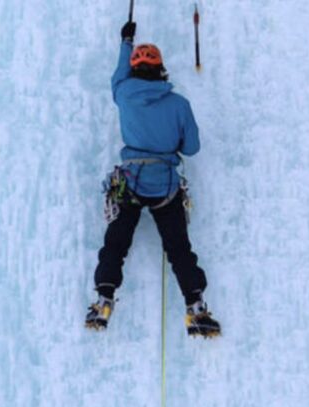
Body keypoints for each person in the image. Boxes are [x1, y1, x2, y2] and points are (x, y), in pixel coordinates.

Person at [85, 20, 221, 338]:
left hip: (130, 182)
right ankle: (196, 308)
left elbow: (118, 76)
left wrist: (126, 41)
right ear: (161, 69)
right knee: (179, 249)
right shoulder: (179, 104)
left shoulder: (124, 94)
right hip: (165, 186)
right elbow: (193, 147)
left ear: (134, 69)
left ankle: (103, 298)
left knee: (115, 244)